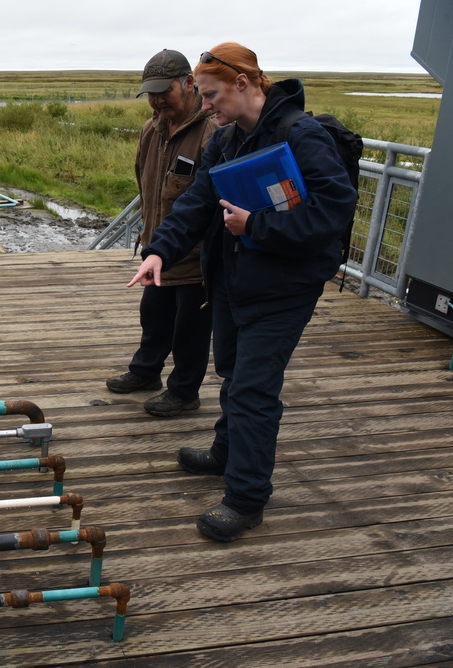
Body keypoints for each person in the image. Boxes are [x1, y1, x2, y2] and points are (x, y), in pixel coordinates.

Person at [127, 43, 357, 541]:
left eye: (211, 95)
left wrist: (256, 225)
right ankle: (226, 452)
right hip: (232, 279)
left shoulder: (303, 136)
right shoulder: (227, 139)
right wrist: (159, 252)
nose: (206, 105)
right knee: (232, 371)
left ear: (244, 83)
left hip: (284, 288)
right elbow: (196, 204)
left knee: (254, 389)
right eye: (202, 96)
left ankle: (246, 497)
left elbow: (333, 212)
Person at [105, 49, 217, 418]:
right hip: (158, 246)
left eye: (163, 91)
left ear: (188, 83)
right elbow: (146, 184)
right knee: (153, 315)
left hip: (195, 255)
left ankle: (184, 392)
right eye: (149, 93)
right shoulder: (151, 129)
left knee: (191, 328)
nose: (155, 100)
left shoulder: (211, 130)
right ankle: (146, 372)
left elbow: (209, 199)